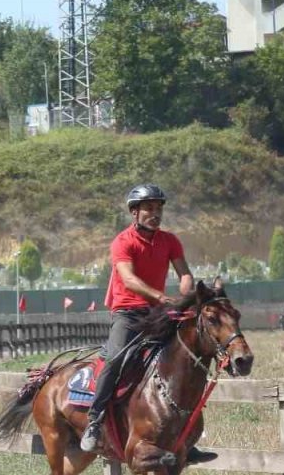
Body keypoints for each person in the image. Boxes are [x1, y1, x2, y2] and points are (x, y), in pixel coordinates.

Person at [80, 184, 201, 455]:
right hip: (128, 312)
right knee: (115, 358)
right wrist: (161, 298)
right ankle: (94, 420)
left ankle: (187, 432)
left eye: (158, 209)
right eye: (148, 208)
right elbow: (130, 280)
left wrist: (186, 291)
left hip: (157, 312)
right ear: (134, 212)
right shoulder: (123, 241)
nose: (154, 213)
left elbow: (184, 273)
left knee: (185, 357)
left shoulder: (170, 241)